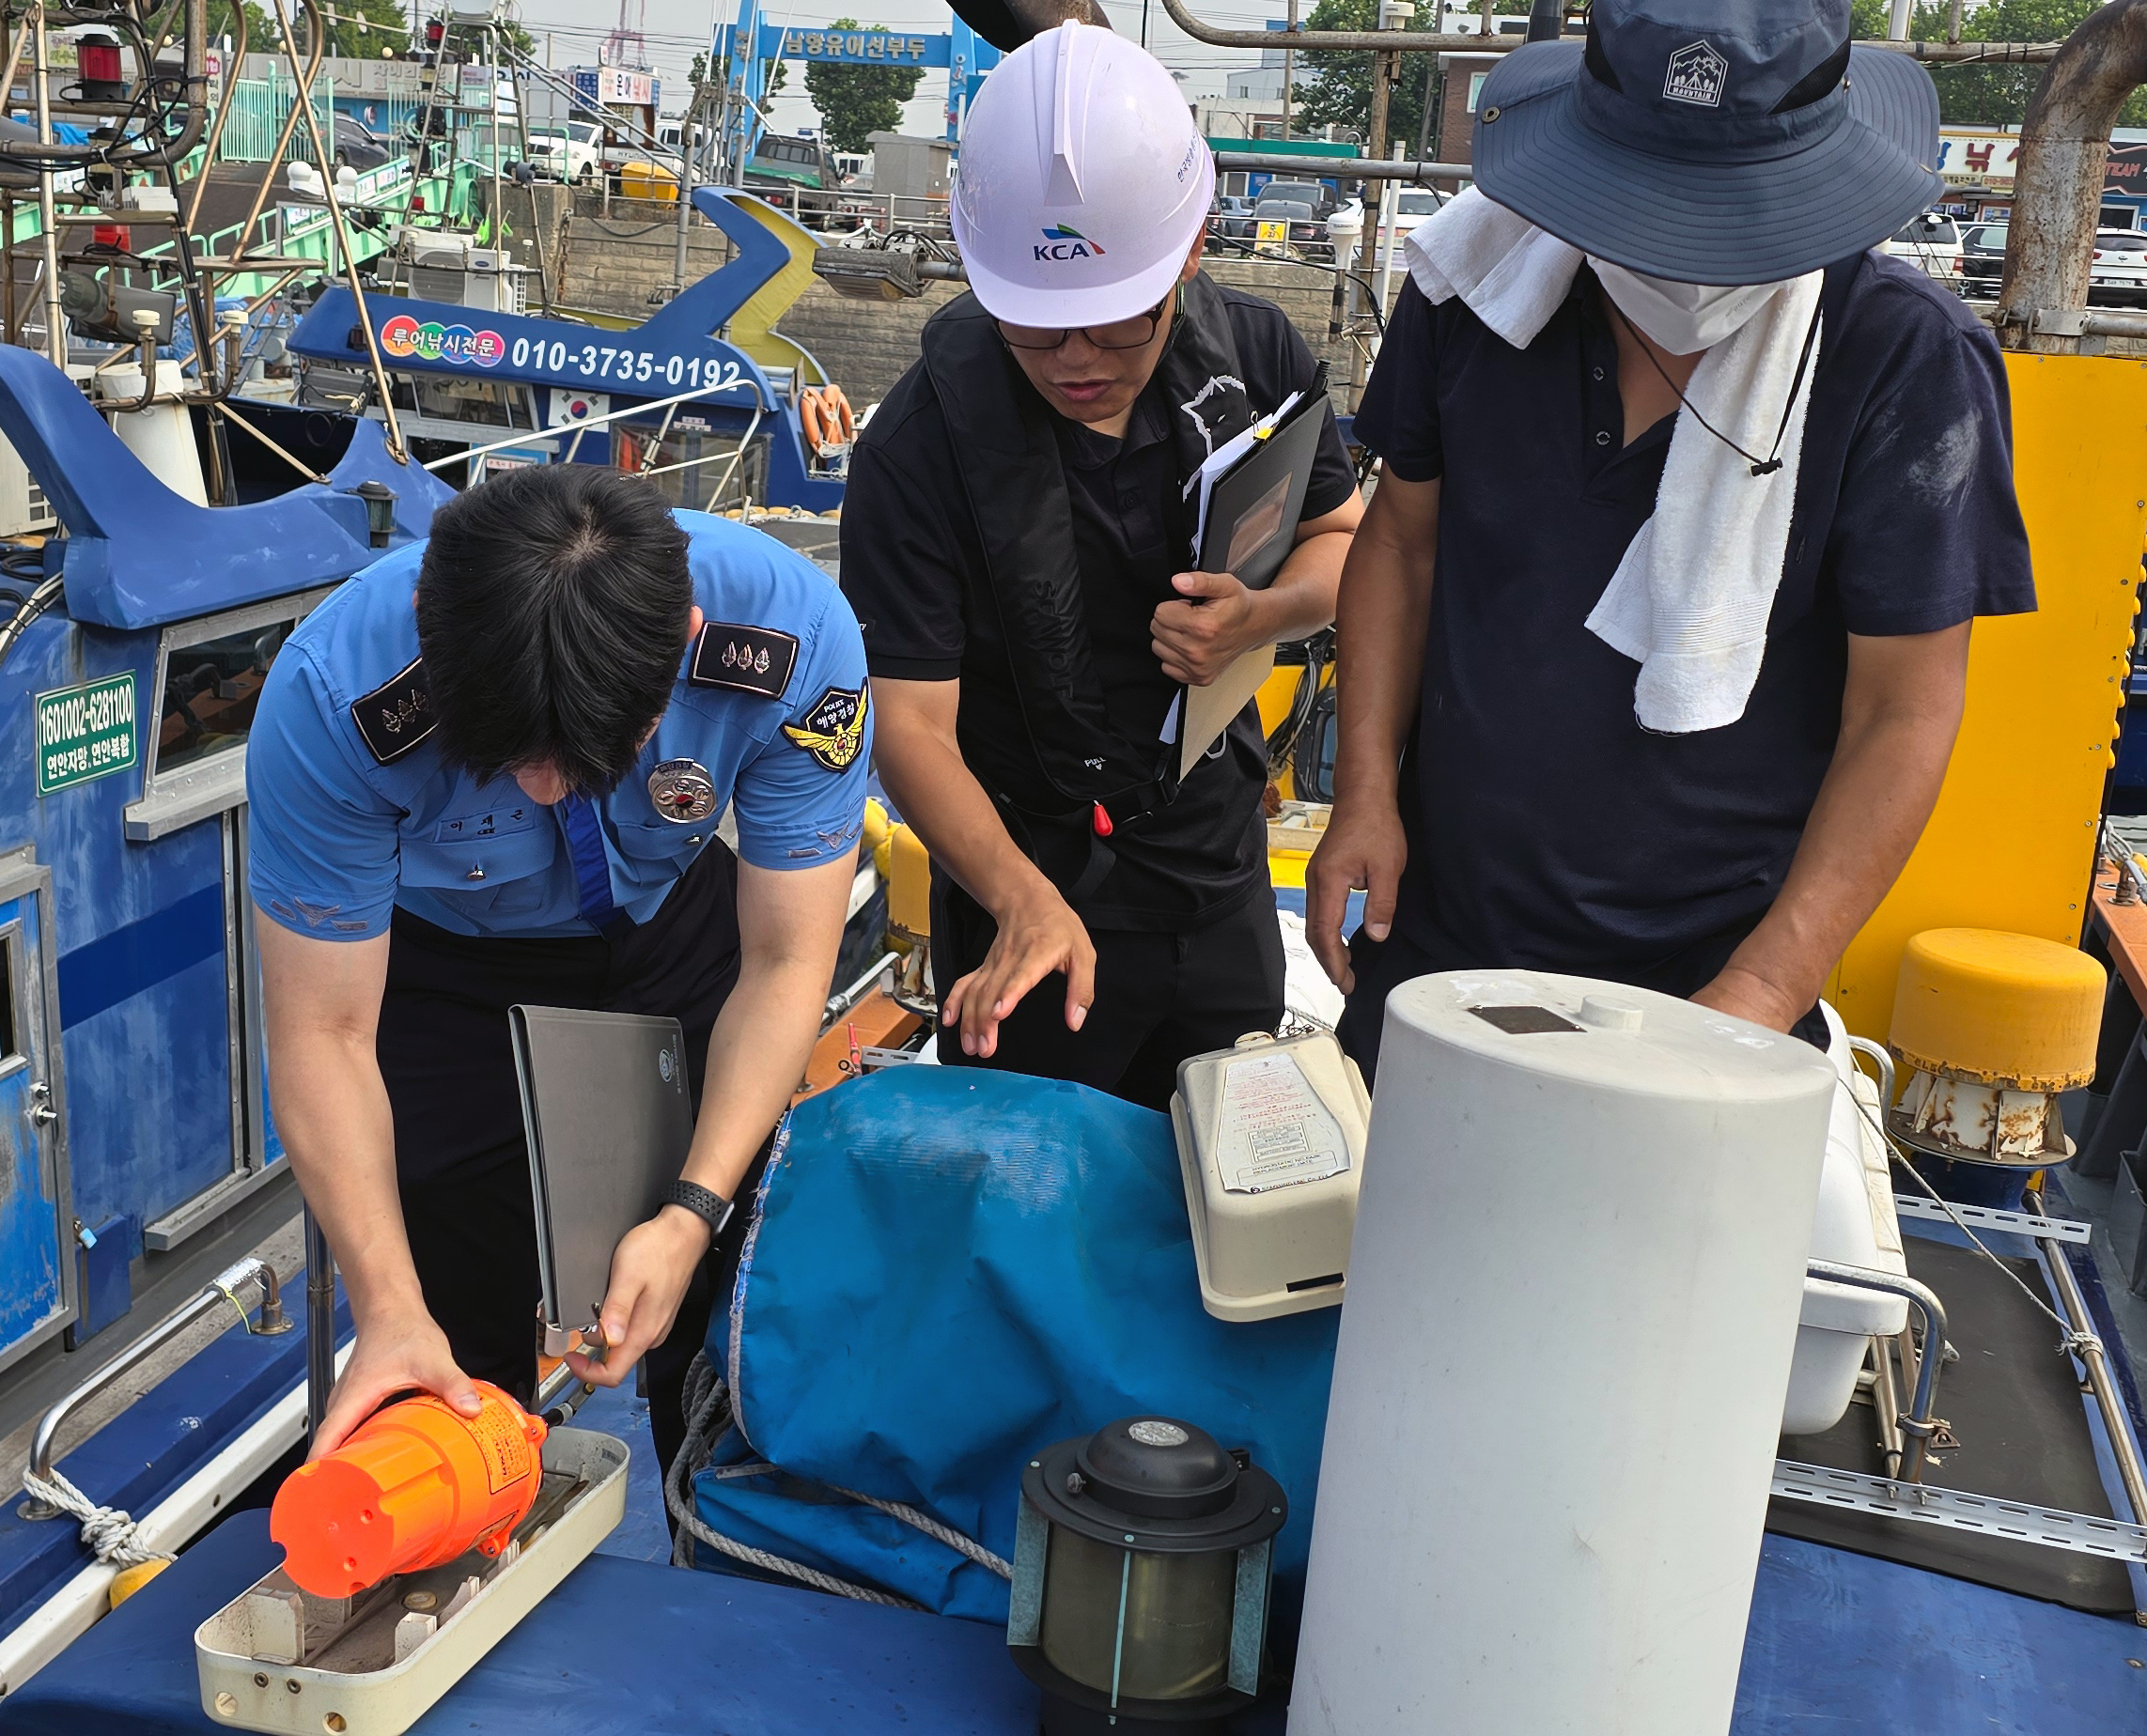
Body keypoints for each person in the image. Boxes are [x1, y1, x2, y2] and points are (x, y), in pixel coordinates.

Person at [1306, 0, 2036, 1073]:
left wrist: (1761, 987)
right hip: (1438, 930)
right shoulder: (1470, 288)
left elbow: (1902, 706)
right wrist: (1362, 789)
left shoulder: (1902, 360)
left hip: (1715, 966)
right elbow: (1400, 543)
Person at [246, 464, 870, 1474]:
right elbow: (323, 1032)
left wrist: (690, 1212)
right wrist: (388, 1310)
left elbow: (787, 954)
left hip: (678, 933)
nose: (543, 788)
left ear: (682, 645)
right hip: (444, 968)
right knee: (444, 1324)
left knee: (722, 1296)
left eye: (591, 755)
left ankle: (709, 1548)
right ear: (424, 624)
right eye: (505, 756)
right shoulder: (331, 698)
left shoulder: (794, 643)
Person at [840, 23, 1362, 1109]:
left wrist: (1261, 616)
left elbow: (1344, 544)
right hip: (1026, 878)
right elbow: (910, 728)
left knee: (1225, 1175)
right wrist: (1020, 902)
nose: (1077, 363)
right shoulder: (917, 446)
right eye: (1035, 331)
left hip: (1214, 864)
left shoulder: (1260, 355)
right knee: (1035, 1194)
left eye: (1118, 328)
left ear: (1189, 249)